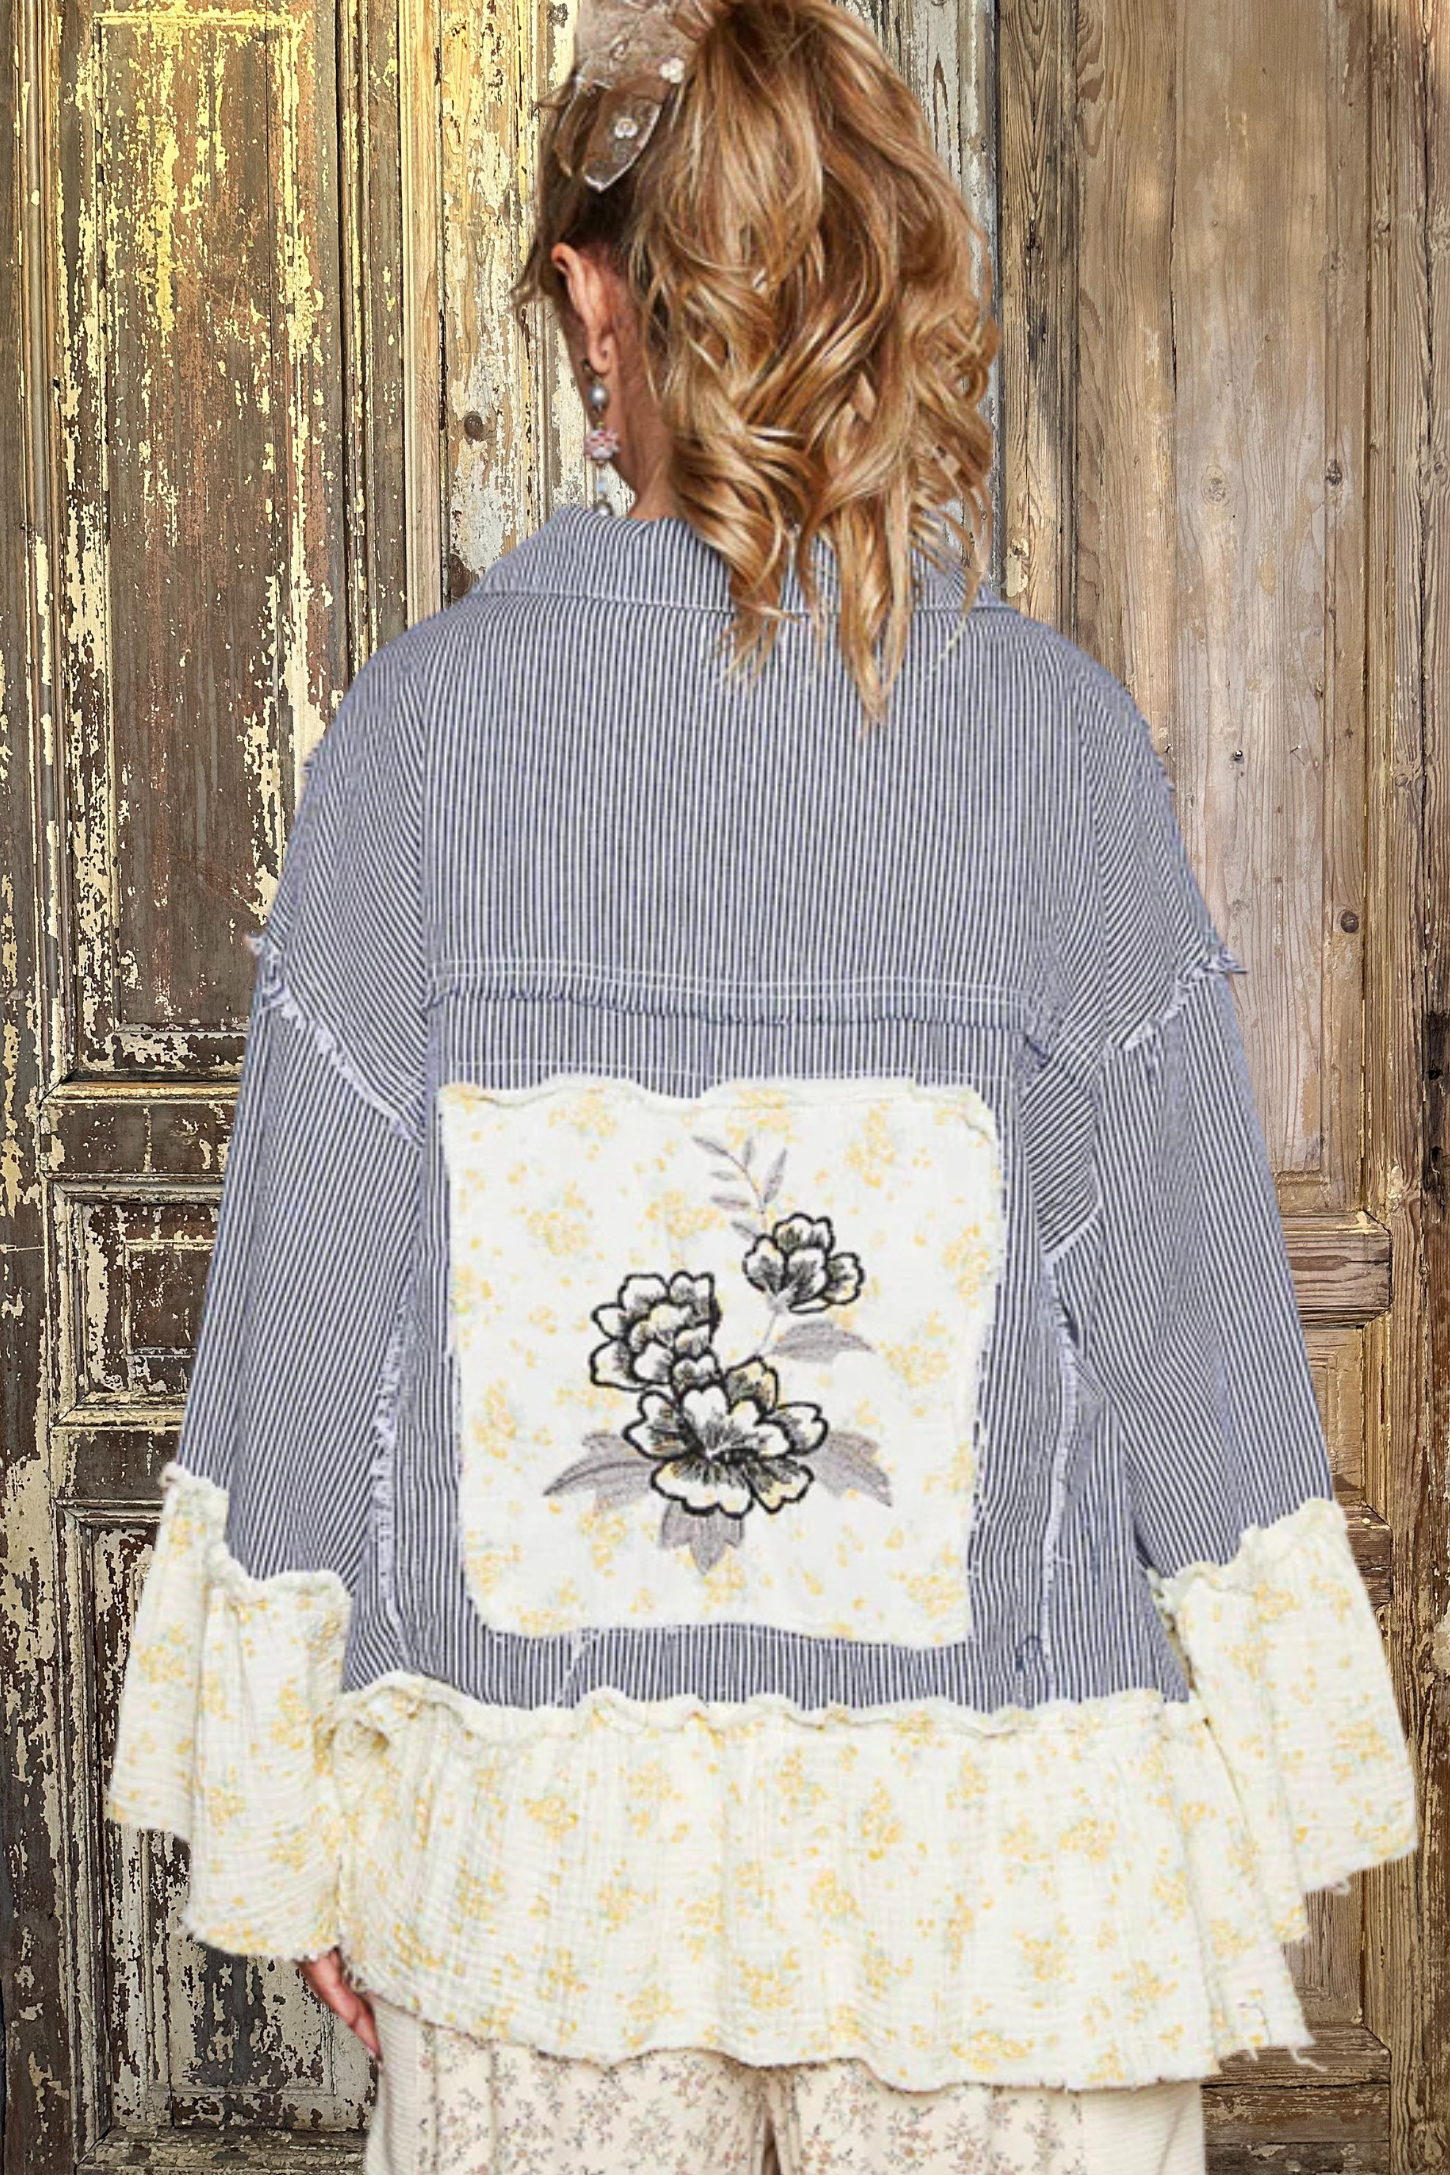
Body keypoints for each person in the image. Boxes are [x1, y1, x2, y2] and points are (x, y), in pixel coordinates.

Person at [104, 0, 1419, 2167]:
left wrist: (294, 1806)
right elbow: (1180, 1309)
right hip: (985, 1863)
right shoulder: (1050, 745)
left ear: (589, 302)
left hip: (542, 1859)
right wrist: (1268, 1771)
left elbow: (312, 1314)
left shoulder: (413, 743)